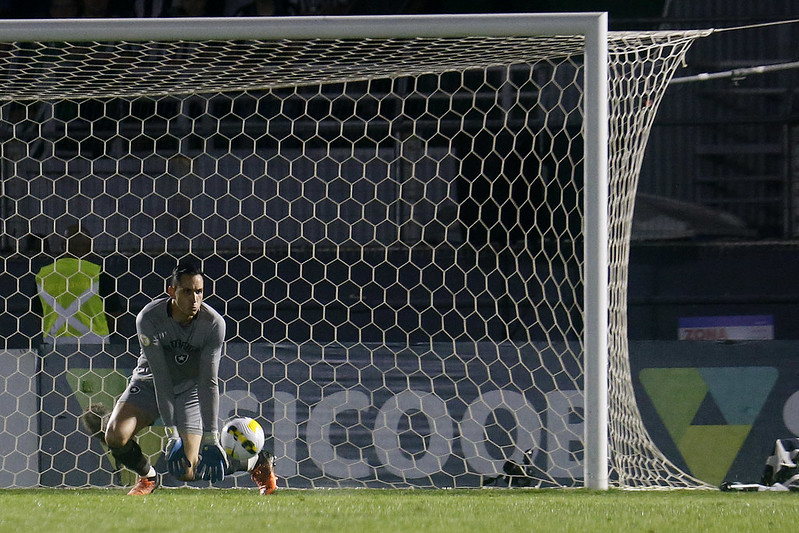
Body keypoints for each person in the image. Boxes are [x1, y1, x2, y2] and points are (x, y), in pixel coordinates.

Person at [90, 260, 277, 496]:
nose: (194, 299)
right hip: (149, 384)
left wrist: (211, 438)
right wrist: (172, 435)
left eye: (199, 292)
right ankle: (148, 477)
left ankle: (255, 463)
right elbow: (161, 379)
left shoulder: (213, 324)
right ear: (172, 292)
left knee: (185, 471)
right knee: (115, 436)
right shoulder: (149, 318)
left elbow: (209, 382)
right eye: (187, 292)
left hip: (190, 391)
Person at [34, 225, 121, 346]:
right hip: (95, 344)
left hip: (54, 344)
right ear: (90, 247)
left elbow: (39, 315)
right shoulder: (100, 275)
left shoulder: (43, 276)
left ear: (63, 246)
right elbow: (113, 316)